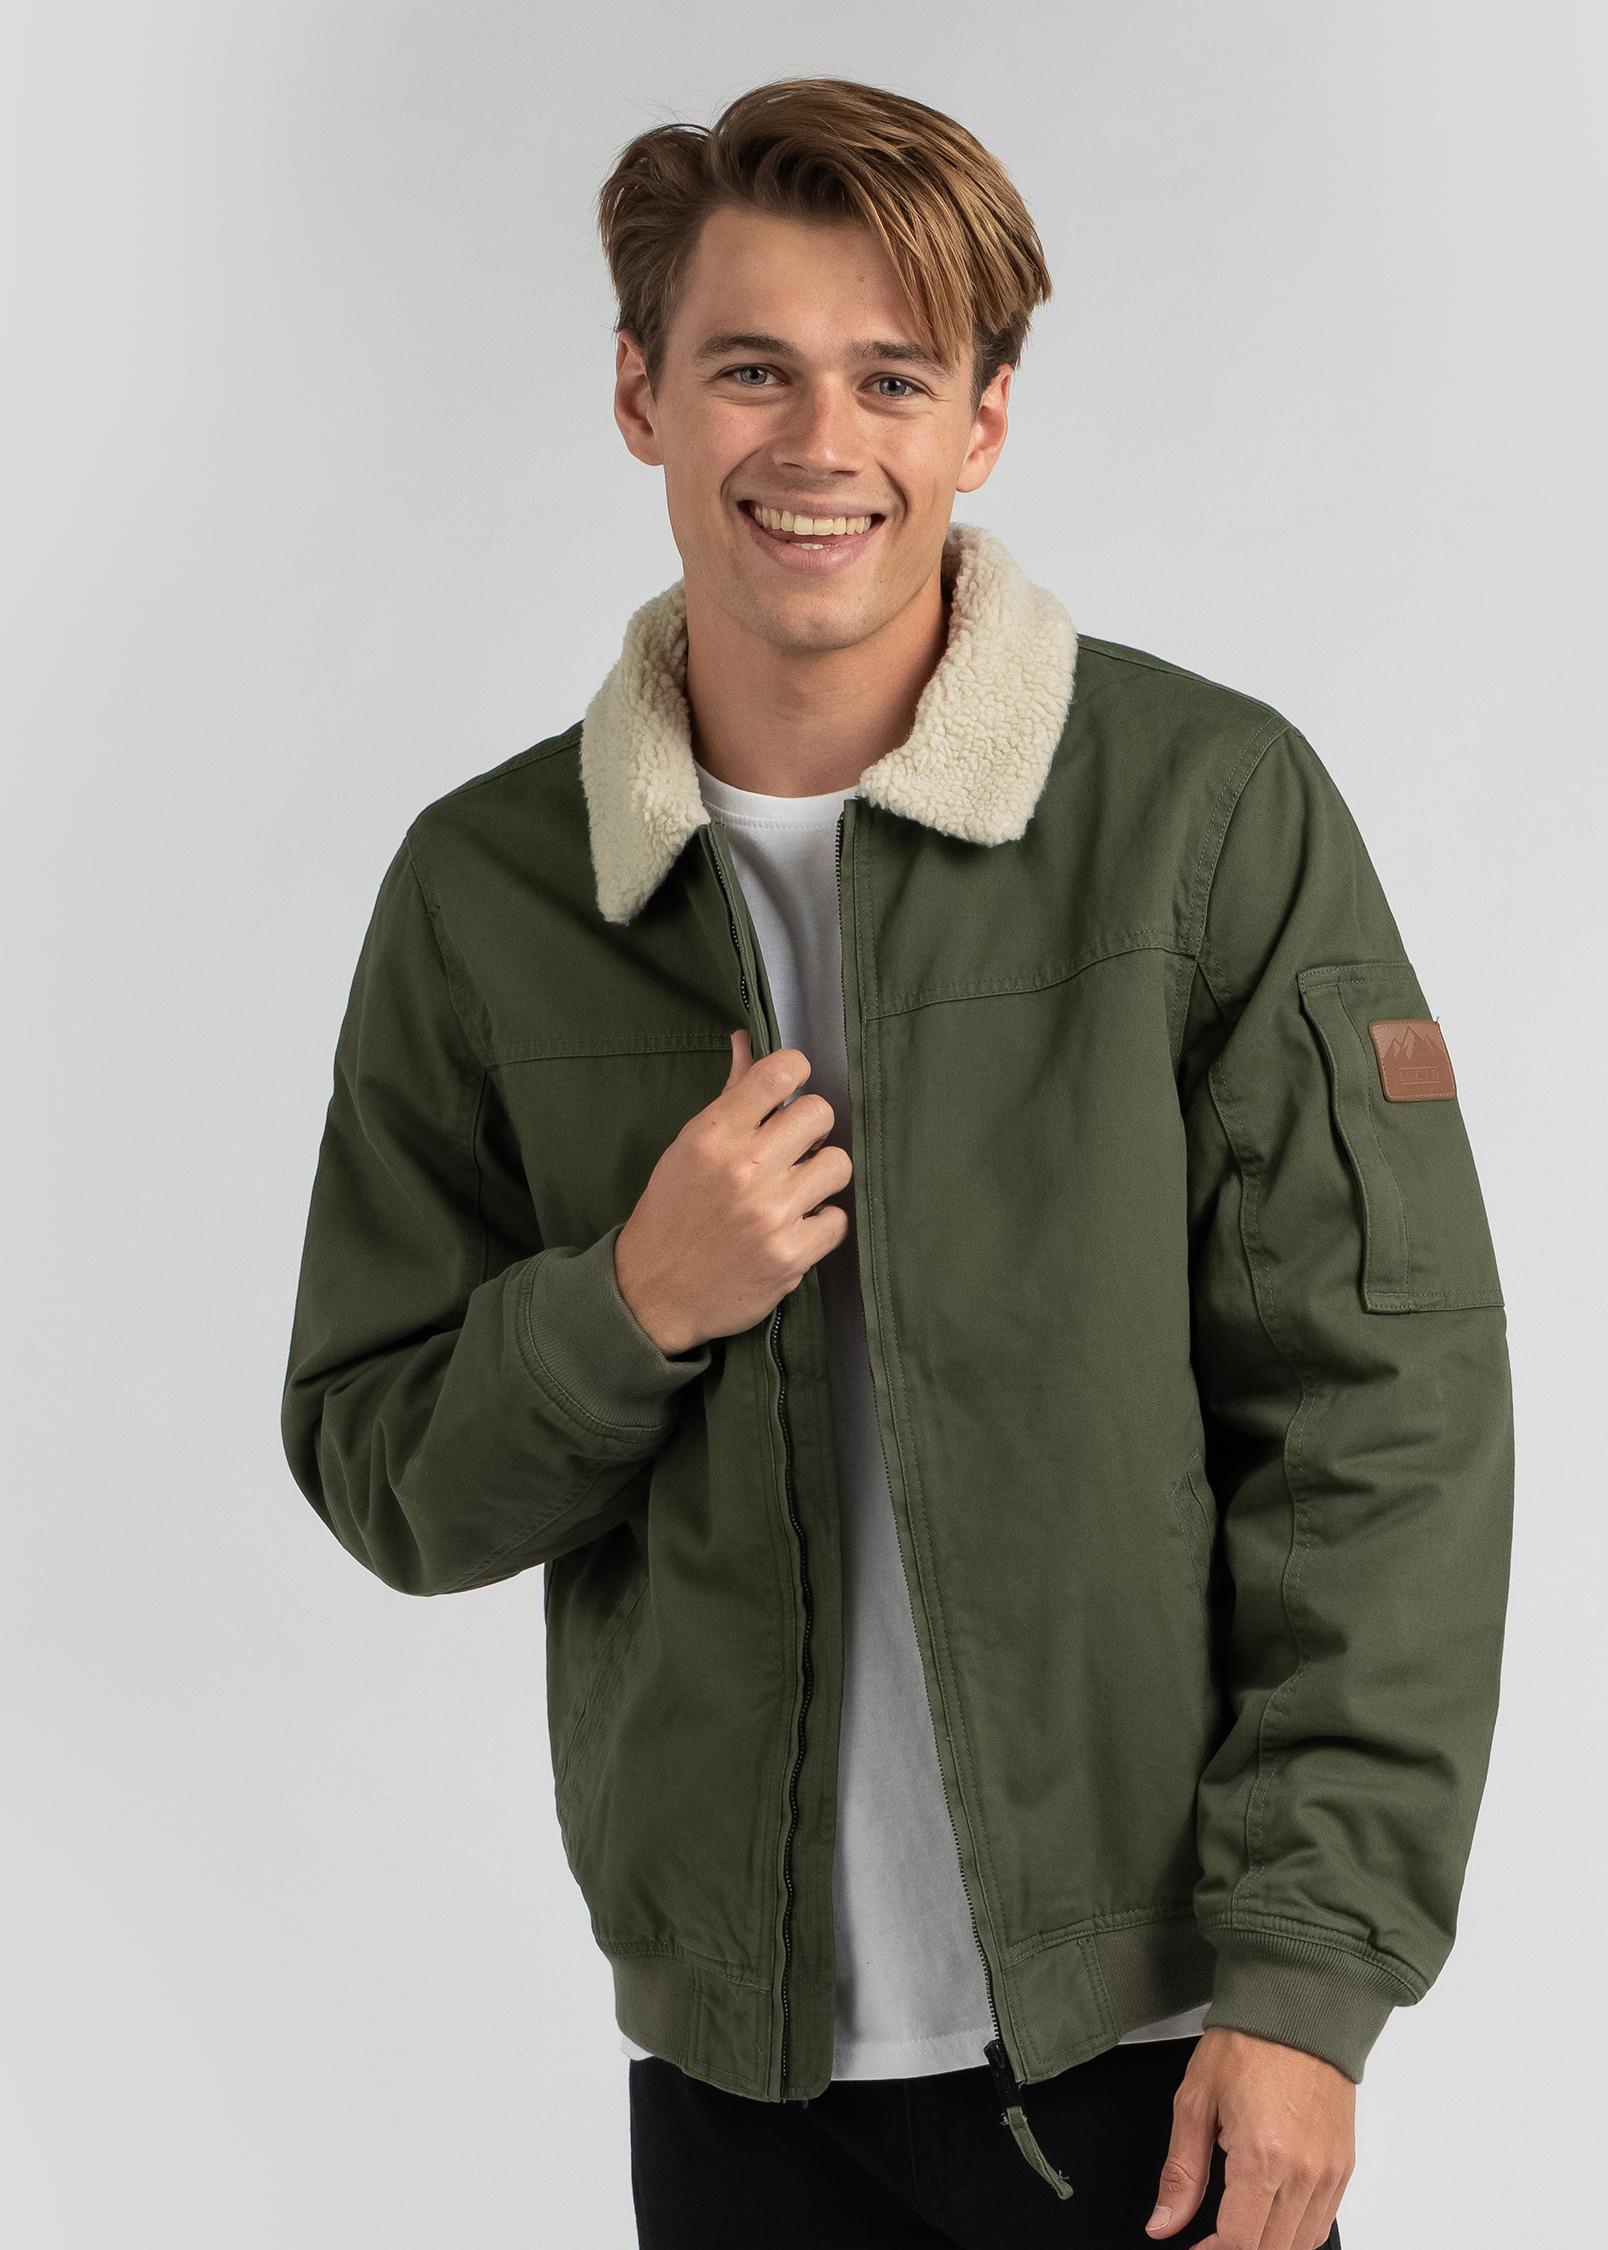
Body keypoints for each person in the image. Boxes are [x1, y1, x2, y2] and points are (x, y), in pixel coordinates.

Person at [280, 73, 1513, 2250]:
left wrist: (1309, 1987)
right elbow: (383, 1464)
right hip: (740, 2072)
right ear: (643, 397)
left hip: (1161, 2046)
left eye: (893, 377)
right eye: (751, 369)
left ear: (985, 422)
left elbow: (1379, 1420)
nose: (819, 442)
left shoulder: (1204, 813)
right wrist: (629, 1306)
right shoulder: (488, 892)